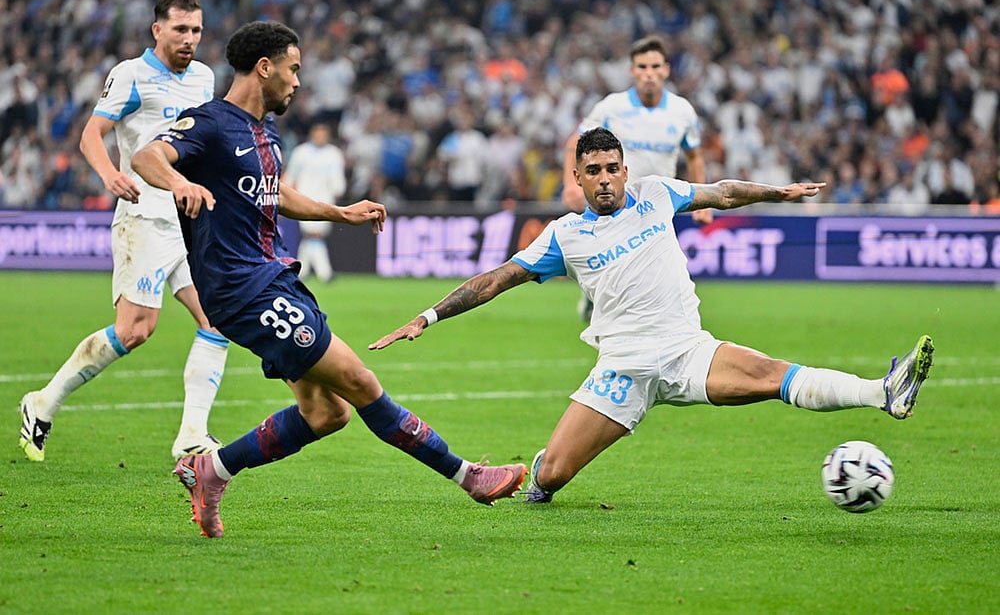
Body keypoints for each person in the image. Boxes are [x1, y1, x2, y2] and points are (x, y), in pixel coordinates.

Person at [370, 127, 934, 505]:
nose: (607, 178)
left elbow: (723, 192)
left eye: (613, 168)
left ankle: (883, 392)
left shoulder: (656, 193)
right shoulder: (564, 235)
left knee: (771, 375)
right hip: (622, 367)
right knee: (552, 477)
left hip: (688, 349)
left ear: (624, 168)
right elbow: (495, 280)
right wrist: (427, 316)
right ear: (578, 178)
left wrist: (776, 193)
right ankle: (539, 474)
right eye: (594, 171)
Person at [131, 20, 526, 538]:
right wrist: (181, 182)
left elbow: (277, 194)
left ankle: (212, 469)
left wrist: (340, 214)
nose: (298, 82)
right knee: (361, 382)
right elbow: (146, 156)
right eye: (293, 70)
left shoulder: (265, 132)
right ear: (265, 67)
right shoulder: (208, 123)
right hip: (241, 289)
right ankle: (467, 474)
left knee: (326, 413)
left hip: (275, 281)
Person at [19, 0, 229, 463]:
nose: (190, 39)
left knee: (218, 318)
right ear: (158, 30)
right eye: (180, 29)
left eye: (196, 30)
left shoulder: (203, 78)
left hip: (189, 221)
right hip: (145, 217)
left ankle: (192, 434)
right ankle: (43, 401)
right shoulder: (132, 74)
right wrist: (111, 174)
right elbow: (91, 134)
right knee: (135, 331)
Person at [562, 35, 713, 321]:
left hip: (657, 203)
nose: (649, 74)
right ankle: (598, 298)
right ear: (631, 71)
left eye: (655, 66)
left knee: (656, 268)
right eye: (642, 67)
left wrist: (702, 201)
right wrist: (571, 184)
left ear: (667, 70)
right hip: (616, 199)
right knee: (615, 261)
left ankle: (655, 321)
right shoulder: (612, 107)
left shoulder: (682, 111)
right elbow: (575, 142)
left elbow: (694, 156)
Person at [284, 121, 347, 283]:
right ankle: (325, 274)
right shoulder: (301, 153)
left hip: (326, 200)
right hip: (304, 199)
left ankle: (302, 271)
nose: (321, 137)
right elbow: (291, 177)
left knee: (312, 237)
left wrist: (338, 191)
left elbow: (338, 181)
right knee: (313, 235)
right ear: (312, 135)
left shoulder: (334, 154)